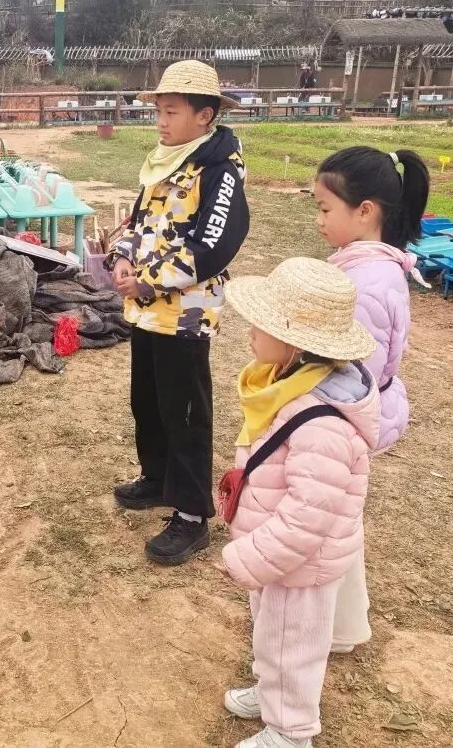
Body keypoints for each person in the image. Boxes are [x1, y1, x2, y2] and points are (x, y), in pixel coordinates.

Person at [219, 257, 379, 748]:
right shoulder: (289, 388)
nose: (250, 332)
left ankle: (290, 732)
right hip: (280, 554)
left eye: (261, 324)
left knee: (293, 646)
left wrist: (248, 557)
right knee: (273, 634)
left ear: (295, 344)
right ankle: (273, 696)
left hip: (299, 561)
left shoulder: (322, 423)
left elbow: (307, 518)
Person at [107, 60, 250, 565]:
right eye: (159, 112)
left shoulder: (220, 172)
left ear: (204, 115)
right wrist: (121, 257)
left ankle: (191, 516)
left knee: (185, 412)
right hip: (145, 312)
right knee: (147, 400)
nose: (161, 122)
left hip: (184, 316)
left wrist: (148, 281)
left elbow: (212, 247)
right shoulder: (164, 162)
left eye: (171, 112)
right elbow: (138, 222)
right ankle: (156, 477)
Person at [314, 147, 430, 654]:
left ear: (365, 211)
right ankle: (344, 626)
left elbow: (351, 373)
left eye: (325, 209)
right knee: (340, 522)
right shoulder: (371, 268)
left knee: (325, 527)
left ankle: (320, 630)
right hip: (350, 414)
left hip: (340, 421)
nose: (318, 220)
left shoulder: (362, 284)